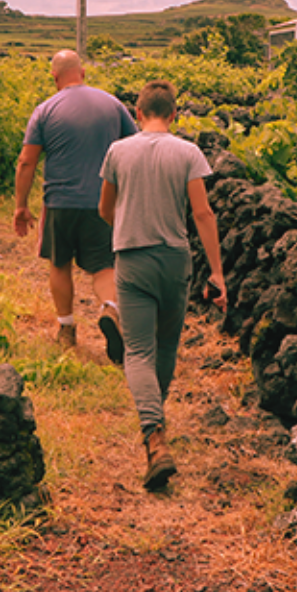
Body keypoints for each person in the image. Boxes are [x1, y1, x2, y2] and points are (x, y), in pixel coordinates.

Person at [99, 79, 227, 491]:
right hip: (175, 259)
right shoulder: (188, 152)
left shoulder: (119, 151)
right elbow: (203, 213)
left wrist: (128, 226)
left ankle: (154, 437)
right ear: (175, 114)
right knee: (167, 346)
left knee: (137, 350)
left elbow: (105, 208)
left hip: (132, 258)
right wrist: (218, 273)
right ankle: (157, 425)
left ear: (137, 114)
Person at [14, 49, 137, 358]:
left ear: (54, 78)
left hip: (60, 202)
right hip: (103, 202)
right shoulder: (113, 104)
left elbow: (26, 162)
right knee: (104, 266)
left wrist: (21, 205)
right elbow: (135, 148)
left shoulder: (44, 110)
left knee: (59, 263)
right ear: (82, 73)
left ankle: (66, 329)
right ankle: (111, 309)